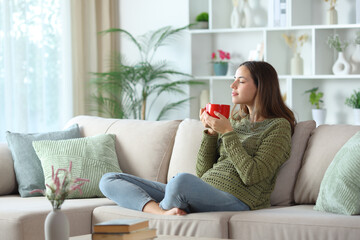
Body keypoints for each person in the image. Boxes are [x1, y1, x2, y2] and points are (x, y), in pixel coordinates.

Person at [99, 61, 296, 216]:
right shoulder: (237, 122)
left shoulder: (278, 126)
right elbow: (203, 172)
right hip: (204, 190)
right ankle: (161, 212)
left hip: (239, 199)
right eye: (234, 79)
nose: (232, 85)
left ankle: (165, 209)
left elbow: (252, 175)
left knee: (180, 181)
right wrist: (211, 134)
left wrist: (227, 133)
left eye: (241, 81)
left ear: (261, 87)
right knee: (109, 179)